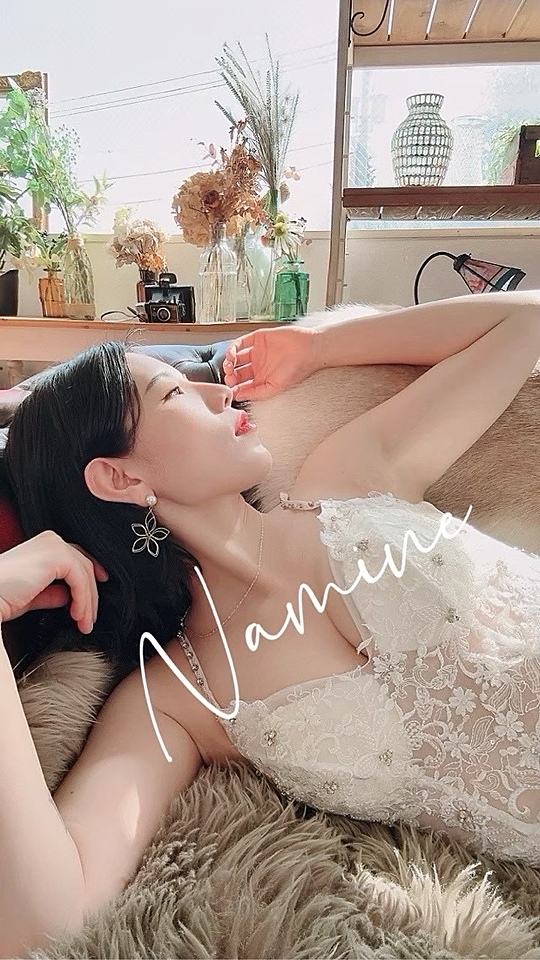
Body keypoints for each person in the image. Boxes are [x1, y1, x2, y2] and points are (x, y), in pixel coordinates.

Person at [1, 290, 540, 957]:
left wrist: (317, 347)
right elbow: (44, 920)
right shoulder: (175, 700)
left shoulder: (350, 473)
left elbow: (523, 321)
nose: (221, 394)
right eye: (175, 394)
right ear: (119, 477)